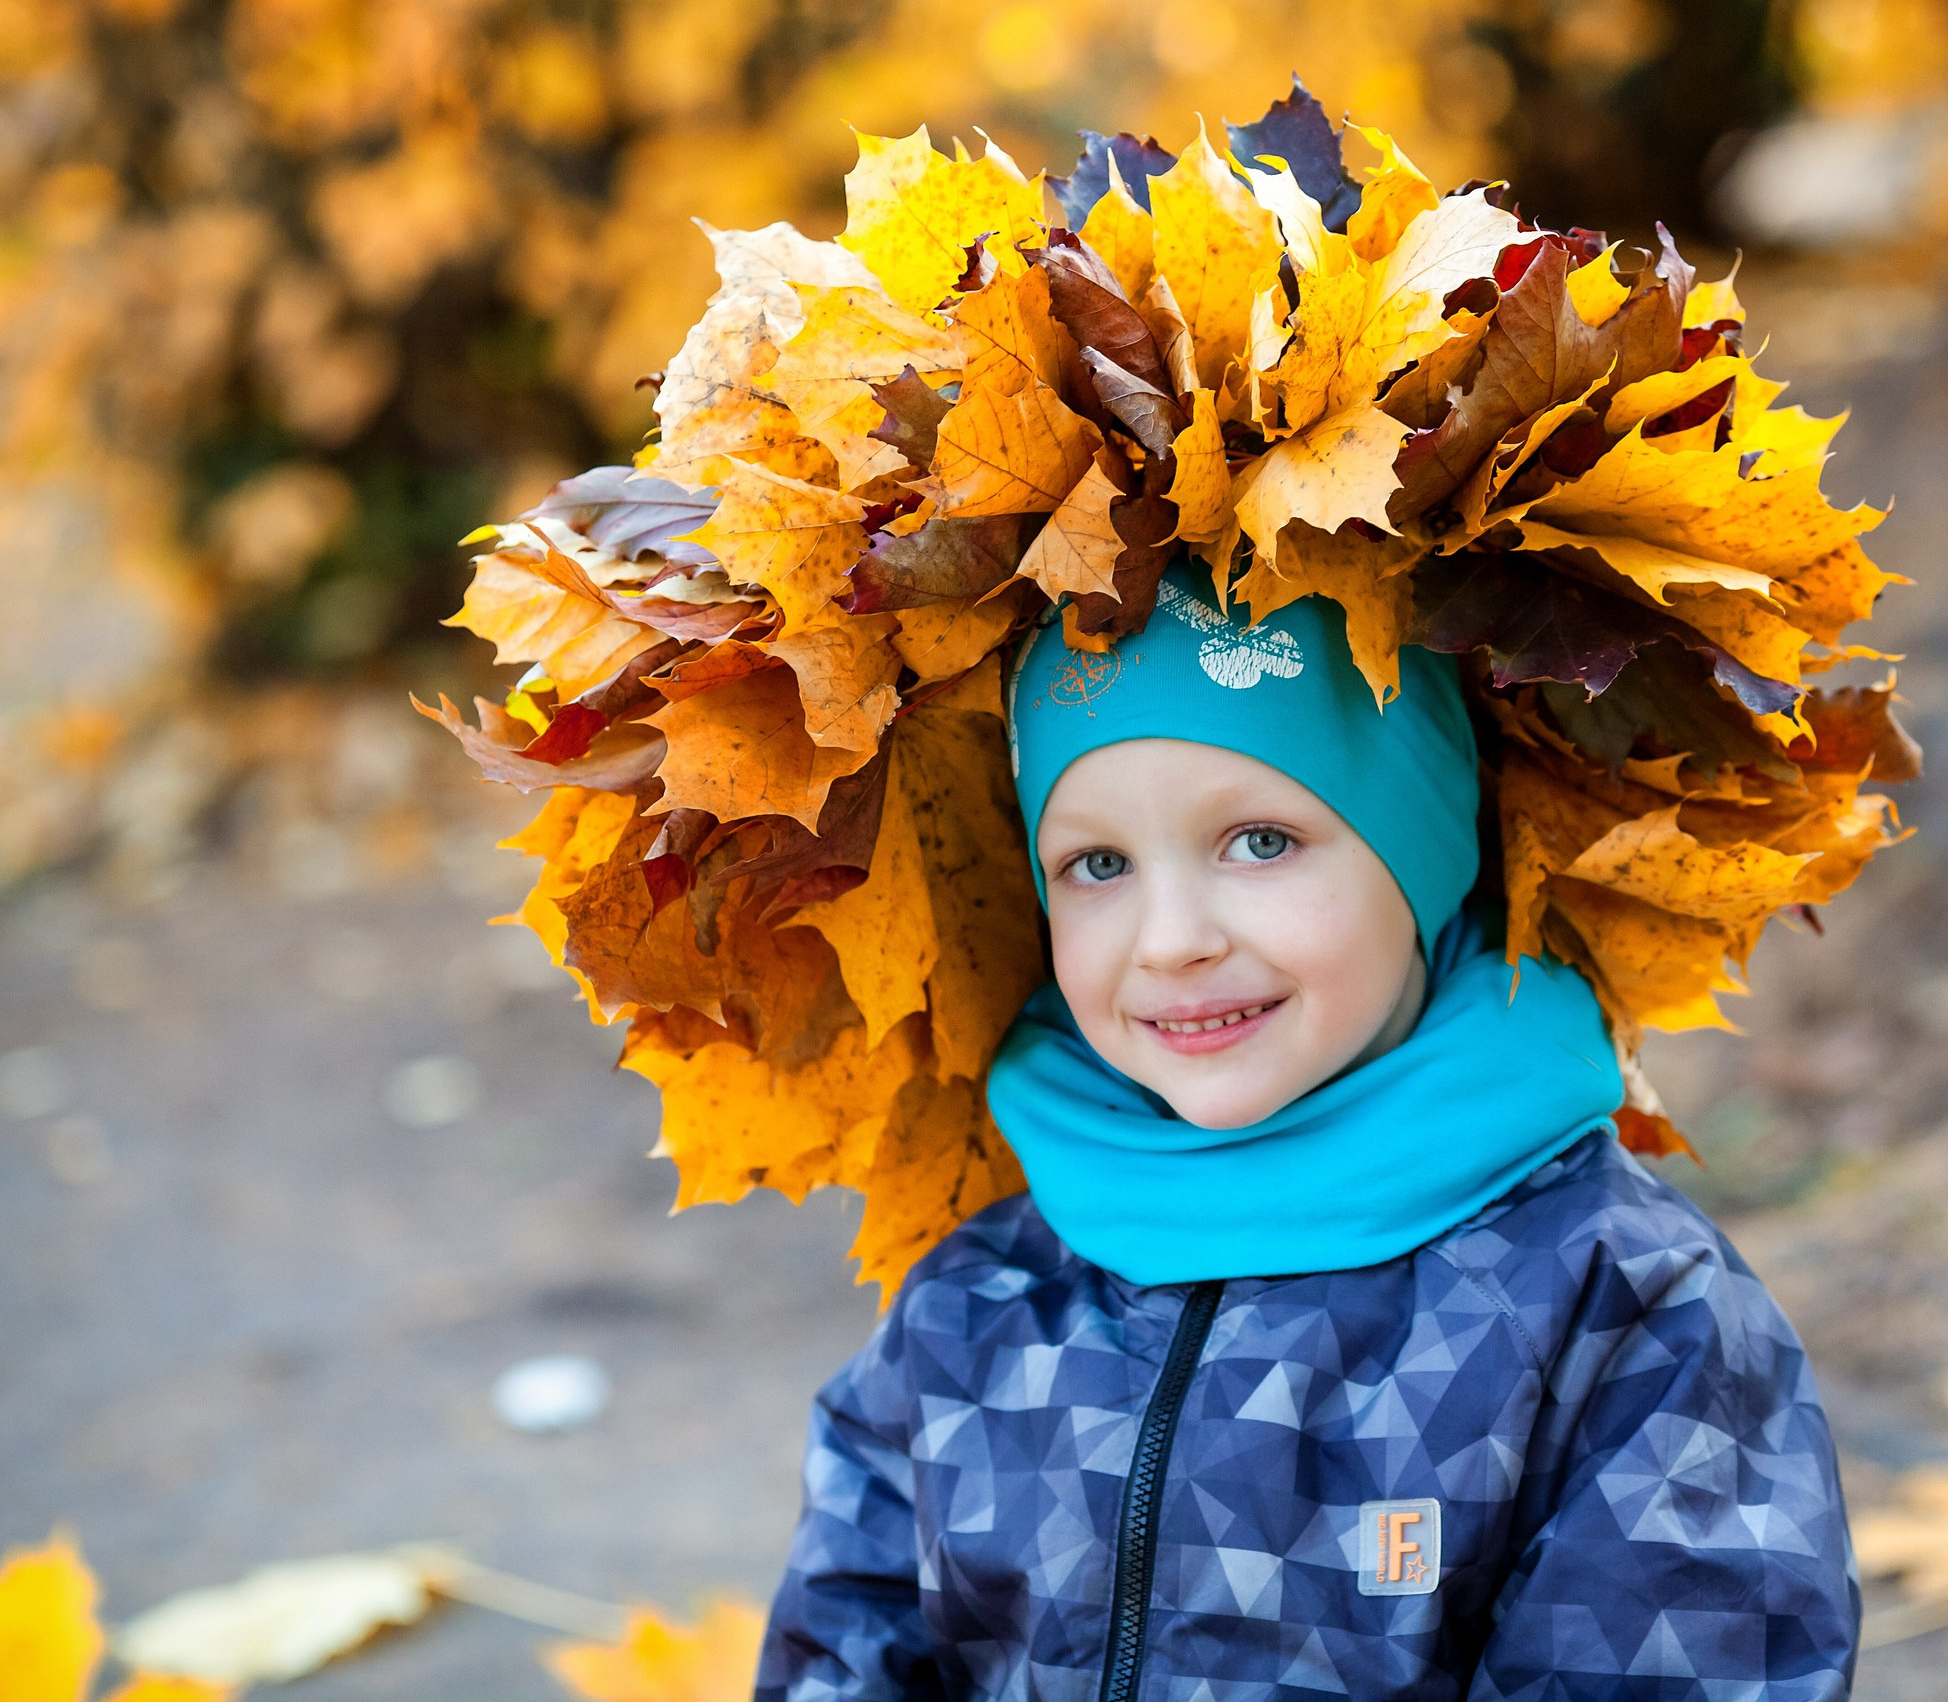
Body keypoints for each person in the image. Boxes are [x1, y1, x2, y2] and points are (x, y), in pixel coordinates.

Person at [755, 566, 1860, 1701]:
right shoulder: (971, 1309)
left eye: (1261, 840)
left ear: (1427, 850)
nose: (1171, 938)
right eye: (1097, 865)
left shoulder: (1617, 1309)